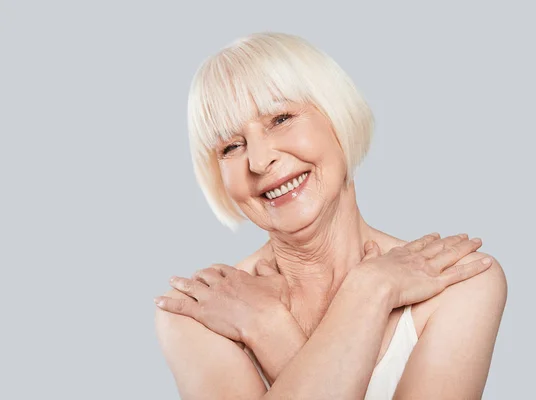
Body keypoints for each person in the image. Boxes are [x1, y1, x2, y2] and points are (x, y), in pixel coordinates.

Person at [154, 32, 507, 399]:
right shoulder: (198, 312)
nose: (259, 161)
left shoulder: (460, 283)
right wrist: (368, 293)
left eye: (281, 118)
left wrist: (280, 327)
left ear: (338, 115)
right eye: (231, 146)